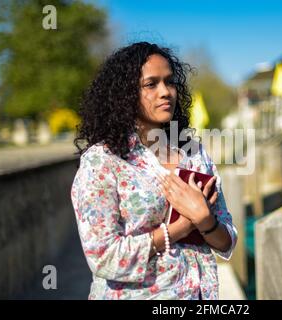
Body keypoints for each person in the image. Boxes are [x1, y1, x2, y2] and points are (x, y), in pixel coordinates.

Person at [71, 42, 237, 300]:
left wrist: (205, 221)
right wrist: (180, 228)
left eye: (169, 82)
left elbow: (227, 241)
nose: (165, 92)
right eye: (151, 84)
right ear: (125, 94)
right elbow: (103, 257)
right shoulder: (103, 161)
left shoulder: (194, 155)